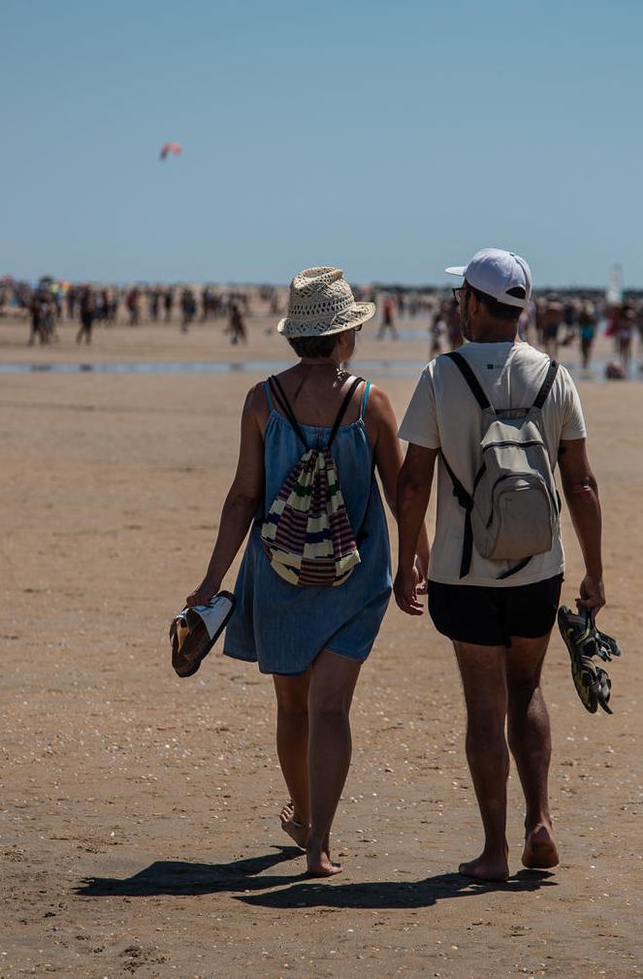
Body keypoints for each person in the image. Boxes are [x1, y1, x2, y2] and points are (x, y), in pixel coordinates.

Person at [394, 248, 605, 883]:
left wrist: (406, 561)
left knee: (485, 708)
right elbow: (582, 483)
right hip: (539, 568)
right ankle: (539, 822)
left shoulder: (441, 376)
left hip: (463, 572)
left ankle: (494, 851)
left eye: (461, 295)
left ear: (479, 305)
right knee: (528, 689)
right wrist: (595, 571)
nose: (457, 304)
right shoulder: (555, 376)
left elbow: (412, 482)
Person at [187, 266, 402, 879]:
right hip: (356, 577)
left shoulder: (263, 400)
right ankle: (319, 846)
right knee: (331, 709)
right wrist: (419, 558)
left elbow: (243, 497)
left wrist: (211, 581)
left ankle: (305, 816)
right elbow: (401, 495)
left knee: (293, 708)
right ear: (344, 336)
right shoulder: (370, 402)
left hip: (278, 574)